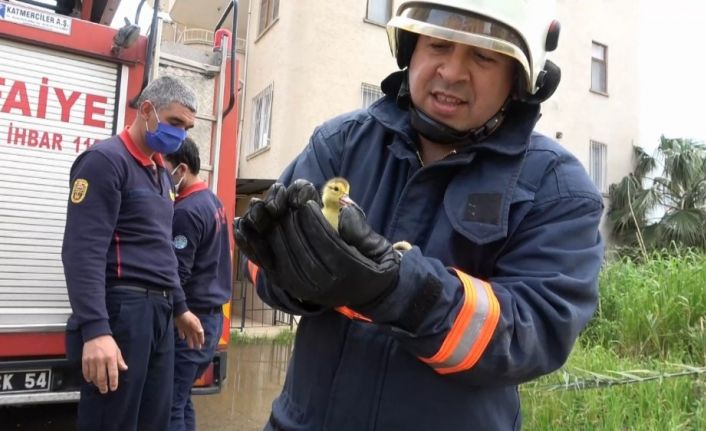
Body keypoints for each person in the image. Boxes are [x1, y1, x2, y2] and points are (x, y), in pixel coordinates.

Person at [235, 0, 604, 430]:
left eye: (482, 55)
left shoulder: (555, 187)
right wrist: (295, 274)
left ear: (521, 79)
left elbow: (534, 331)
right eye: (438, 45)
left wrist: (402, 291)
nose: (451, 72)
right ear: (410, 49)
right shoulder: (340, 143)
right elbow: (261, 268)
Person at [62, 76, 205, 431]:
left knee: (152, 421)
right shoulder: (105, 161)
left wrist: (181, 307)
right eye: (175, 123)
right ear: (146, 110)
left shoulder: (161, 173)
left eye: (187, 128)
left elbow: (162, 251)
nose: (181, 135)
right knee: (113, 421)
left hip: (159, 315)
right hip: (123, 313)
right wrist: (96, 330)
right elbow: (82, 251)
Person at [164, 137, 233, 431]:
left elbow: (177, 274)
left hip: (191, 322)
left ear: (180, 169)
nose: (159, 174)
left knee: (170, 405)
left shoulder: (186, 212)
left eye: (162, 167)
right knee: (182, 398)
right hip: (210, 317)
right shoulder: (211, 200)